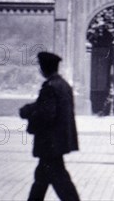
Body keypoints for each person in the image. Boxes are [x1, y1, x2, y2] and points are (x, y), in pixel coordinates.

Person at [19, 52, 80, 201]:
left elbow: (47, 114)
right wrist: (31, 108)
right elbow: (46, 106)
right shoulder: (63, 85)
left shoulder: (50, 87)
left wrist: (29, 114)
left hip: (50, 143)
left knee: (59, 180)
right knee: (42, 179)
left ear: (44, 68)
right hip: (57, 142)